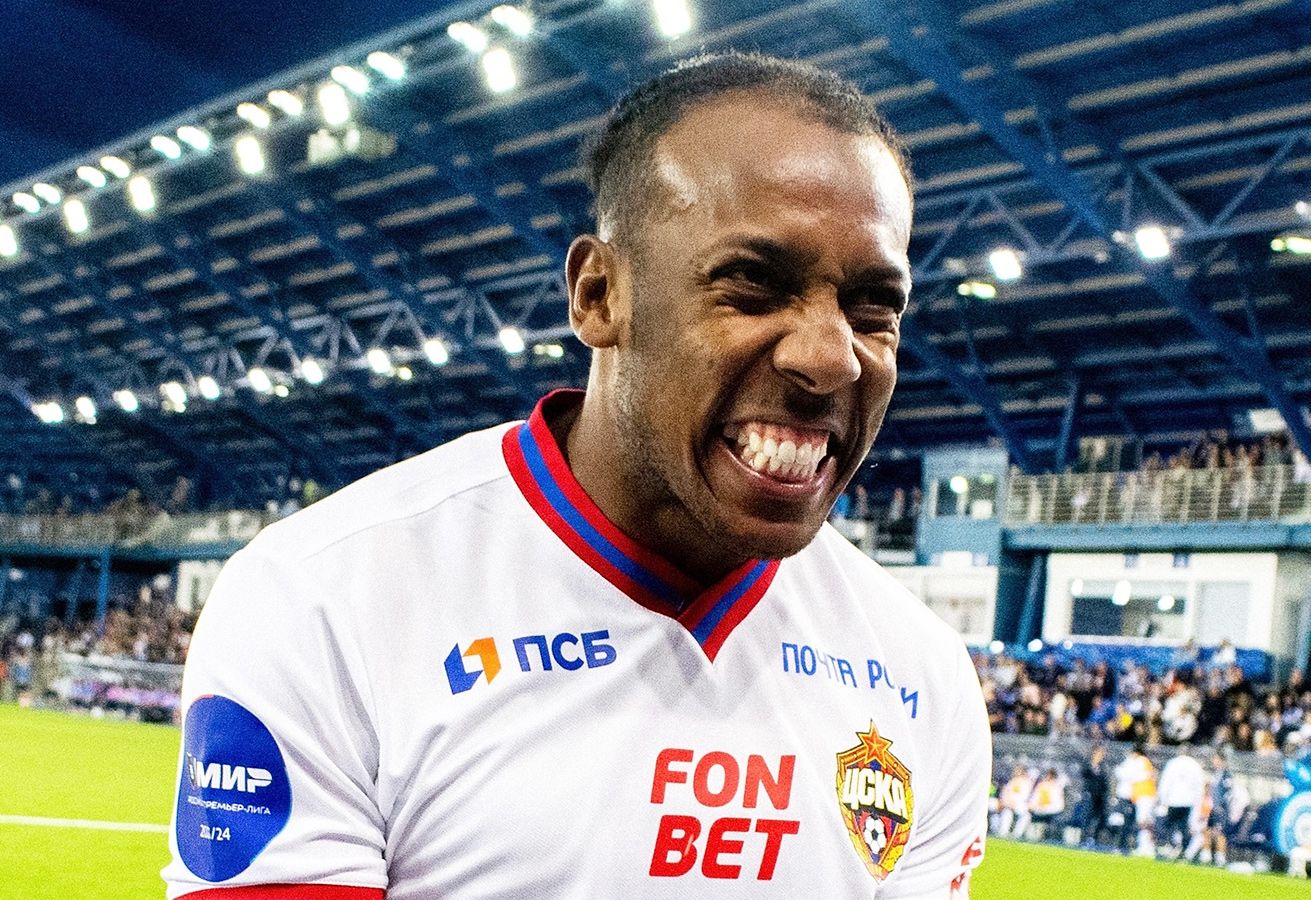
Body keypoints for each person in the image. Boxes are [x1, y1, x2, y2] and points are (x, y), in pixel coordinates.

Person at [164, 52, 990, 897]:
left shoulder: (920, 674)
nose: (831, 357)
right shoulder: (325, 598)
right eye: (752, 286)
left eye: (873, 309)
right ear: (598, 295)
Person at [1156, 744, 1206, 859]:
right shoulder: (1195, 765)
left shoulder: (1173, 763)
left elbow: (1165, 781)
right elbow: (1200, 785)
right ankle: (1183, 851)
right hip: (1188, 801)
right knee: (1184, 827)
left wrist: (1162, 798)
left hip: (1174, 800)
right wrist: (1198, 801)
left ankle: (1168, 847)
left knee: (1170, 825)